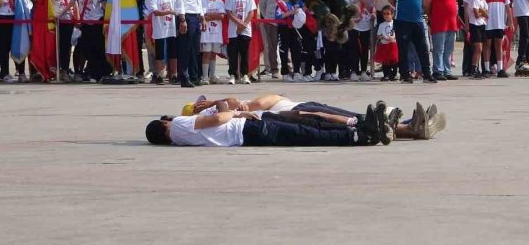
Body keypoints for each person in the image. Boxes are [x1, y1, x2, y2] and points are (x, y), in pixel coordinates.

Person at [144, 103, 393, 147]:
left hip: (247, 127)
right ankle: (360, 136)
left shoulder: (180, 138)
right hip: (247, 131)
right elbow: (219, 118)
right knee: (306, 131)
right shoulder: (178, 126)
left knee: (308, 125)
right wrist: (230, 111)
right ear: (163, 125)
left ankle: (360, 130)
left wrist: (236, 114)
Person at [388, 0, 435, 83]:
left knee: (423, 49)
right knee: (403, 50)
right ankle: (405, 75)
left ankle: (427, 75)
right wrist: (394, 11)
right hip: (402, 21)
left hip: (418, 21)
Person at [71, 0, 108, 82]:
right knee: (85, 48)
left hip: (97, 22)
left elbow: (104, 5)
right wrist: (61, 15)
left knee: (98, 48)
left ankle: (98, 74)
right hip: (85, 23)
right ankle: (86, 72)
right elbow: (71, 3)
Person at [174, 0, 205, 88]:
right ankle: (184, 77)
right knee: (185, 48)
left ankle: (194, 76)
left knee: (194, 48)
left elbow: (198, 0)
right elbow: (180, 0)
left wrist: (202, 16)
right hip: (186, 16)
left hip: (196, 16)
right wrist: (182, 19)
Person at [424, 0, 459, 80]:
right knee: (439, 48)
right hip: (439, 23)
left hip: (451, 23)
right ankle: (438, 70)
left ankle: (447, 70)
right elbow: (427, 5)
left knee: (449, 49)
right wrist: (431, 17)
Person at [225, 0, 257, 85]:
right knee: (233, 53)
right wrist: (238, 23)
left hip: (245, 29)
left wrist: (243, 25)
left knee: (244, 53)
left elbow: (251, 12)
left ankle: (244, 74)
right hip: (233, 30)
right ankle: (233, 74)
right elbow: (228, 12)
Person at [145, 0, 177, 84]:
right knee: (160, 55)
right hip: (159, 31)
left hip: (171, 29)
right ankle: (159, 75)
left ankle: (173, 75)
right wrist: (169, 11)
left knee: (173, 54)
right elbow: (156, 12)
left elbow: (176, 7)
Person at [482, 0, 512, 78]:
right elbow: (480, 5)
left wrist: (511, 22)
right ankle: (486, 69)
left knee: (499, 46)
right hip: (488, 23)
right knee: (487, 46)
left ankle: (500, 69)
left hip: (499, 23)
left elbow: (507, 6)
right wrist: (484, 15)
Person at [345, 0, 373, 81]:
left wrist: (364, 1)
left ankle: (364, 71)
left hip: (365, 24)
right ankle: (354, 71)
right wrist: (356, 0)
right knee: (353, 48)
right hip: (354, 24)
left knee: (365, 49)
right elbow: (347, 8)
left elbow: (371, 8)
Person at [50, 0, 76, 80]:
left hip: (68, 20)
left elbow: (75, 2)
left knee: (66, 47)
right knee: (55, 46)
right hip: (55, 20)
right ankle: (56, 68)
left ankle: (65, 70)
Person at [277, 0, 305, 82]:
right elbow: (278, 16)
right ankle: (285, 72)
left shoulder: (297, 1)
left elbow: (304, 10)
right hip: (284, 29)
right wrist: (290, 12)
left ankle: (297, 72)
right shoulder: (280, 2)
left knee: (296, 49)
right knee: (284, 50)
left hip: (295, 28)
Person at [200, 0, 225, 85]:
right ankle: (205, 76)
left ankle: (212, 76)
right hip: (206, 32)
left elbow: (222, 16)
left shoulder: (220, 2)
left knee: (214, 54)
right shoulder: (203, 1)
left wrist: (210, 16)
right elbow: (202, 16)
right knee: (206, 53)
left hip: (216, 33)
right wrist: (215, 16)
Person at [258, 0, 281, 79]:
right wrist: (268, 17)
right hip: (271, 22)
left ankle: (287, 68)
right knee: (272, 46)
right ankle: (274, 69)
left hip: (284, 22)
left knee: (285, 46)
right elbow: (262, 5)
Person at [466, 0, 488, 79]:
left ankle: (475, 68)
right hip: (475, 25)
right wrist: (482, 12)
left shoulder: (483, 1)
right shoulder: (474, 0)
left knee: (480, 49)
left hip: (482, 25)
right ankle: (473, 68)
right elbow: (476, 14)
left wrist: (482, 12)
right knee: (478, 48)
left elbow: (486, 15)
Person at [458, 0, 478, 76]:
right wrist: (464, 23)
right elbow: (462, 8)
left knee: (475, 45)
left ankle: (473, 67)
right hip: (465, 21)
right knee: (468, 44)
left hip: (475, 21)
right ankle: (466, 69)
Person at [375, 4, 399, 81]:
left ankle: (394, 75)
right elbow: (378, 35)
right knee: (385, 62)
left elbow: (397, 33)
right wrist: (383, 37)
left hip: (393, 44)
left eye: (388, 13)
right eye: (384, 14)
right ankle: (386, 75)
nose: (386, 15)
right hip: (384, 45)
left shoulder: (395, 23)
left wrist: (393, 37)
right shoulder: (382, 25)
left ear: (392, 14)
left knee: (394, 61)